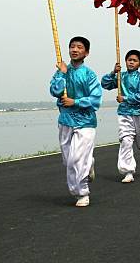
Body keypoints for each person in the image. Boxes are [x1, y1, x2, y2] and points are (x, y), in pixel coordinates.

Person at [50, 36, 102, 207]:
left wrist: (76, 102)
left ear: (86, 52)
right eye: (72, 46)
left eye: (79, 47)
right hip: (65, 120)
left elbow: (96, 100)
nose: (74, 49)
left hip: (86, 122)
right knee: (68, 161)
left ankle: (82, 193)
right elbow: (55, 91)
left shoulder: (89, 74)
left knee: (75, 160)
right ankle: (89, 163)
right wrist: (61, 73)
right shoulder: (62, 70)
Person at [101, 50, 140, 183]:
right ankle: (128, 171)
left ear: (139, 64)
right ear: (125, 61)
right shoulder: (121, 76)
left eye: (135, 60)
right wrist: (113, 72)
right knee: (126, 140)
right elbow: (105, 84)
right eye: (129, 59)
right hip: (125, 113)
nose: (131, 62)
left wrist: (125, 98)